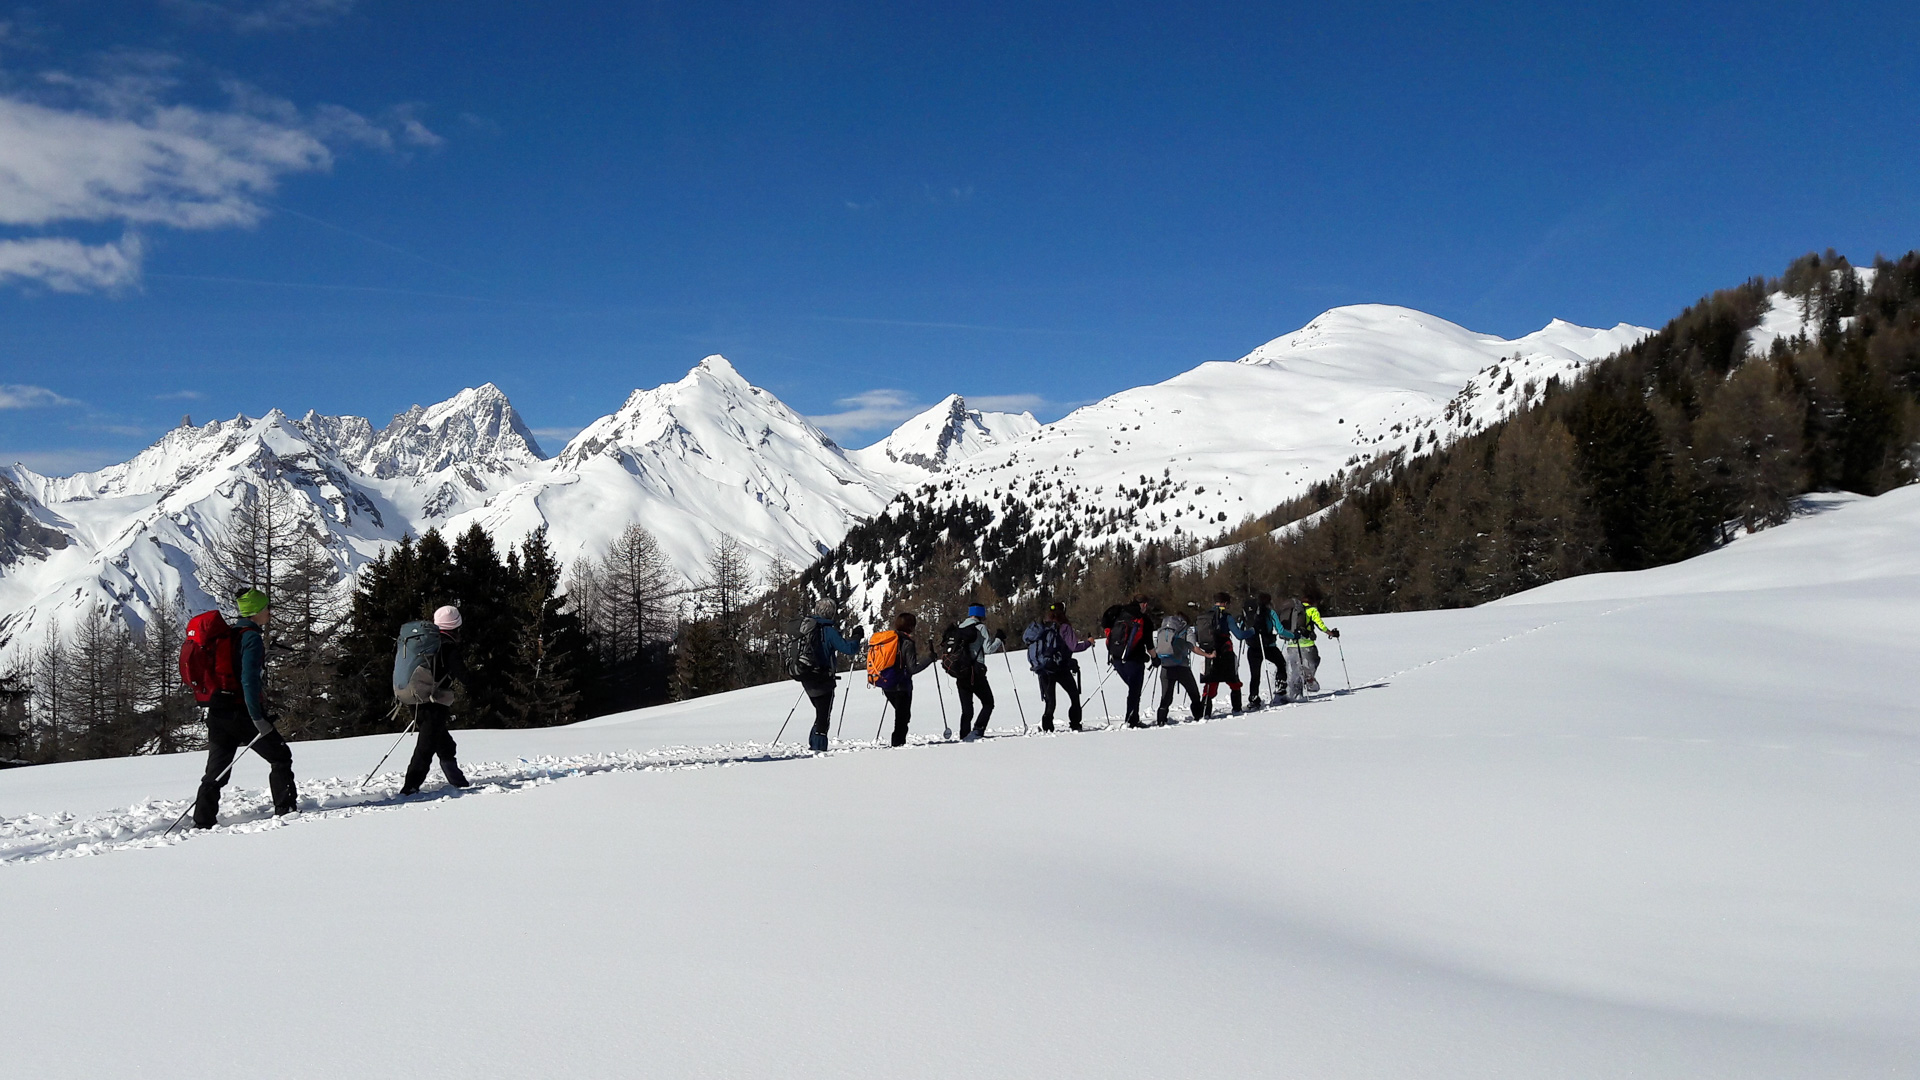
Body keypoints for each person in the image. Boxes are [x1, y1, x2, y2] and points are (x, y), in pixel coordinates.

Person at [192, 588, 297, 827]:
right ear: (256, 611)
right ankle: (286, 810)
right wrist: (257, 717)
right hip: (241, 712)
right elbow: (249, 680)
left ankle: (202, 820)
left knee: (216, 771)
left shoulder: (229, 635)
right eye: (267, 608)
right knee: (280, 756)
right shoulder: (251, 638)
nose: (270, 612)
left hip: (218, 710)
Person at [401, 605, 472, 795]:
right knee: (425, 748)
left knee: (444, 743)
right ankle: (410, 788)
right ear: (457, 627)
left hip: (413, 697)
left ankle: (457, 780)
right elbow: (465, 677)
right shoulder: (447, 648)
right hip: (433, 702)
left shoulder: (424, 643)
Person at [801, 599, 861, 751]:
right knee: (823, 717)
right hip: (823, 679)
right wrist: (856, 637)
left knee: (820, 712)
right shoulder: (828, 631)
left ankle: (814, 744)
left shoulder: (806, 628)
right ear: (831, 613)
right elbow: (848, 649)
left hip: (806, 676)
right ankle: (818, 749)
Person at [1023, 602, 1094, 732]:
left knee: (1050, 701)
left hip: (1044, 667)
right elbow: (1074, 647)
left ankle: (1047, 728)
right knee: (1074, 696)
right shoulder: (1064, 627)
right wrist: (1088, 643)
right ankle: (1075, 723)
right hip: (1060, 667)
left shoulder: (1043, 627)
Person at [870, 611, 936, 746]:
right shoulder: (907, 643)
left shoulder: (887, 640)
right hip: (901, 685)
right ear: (910, 627)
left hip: (886, 683)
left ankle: (897, 744)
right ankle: (897, 746)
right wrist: (929, 659)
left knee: (902, 716)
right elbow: (912, 668)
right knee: (902, 718)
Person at [946, 603, 1004, 740]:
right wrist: (999, 639)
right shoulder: (981, 628)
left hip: (960, 672)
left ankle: (964, 736)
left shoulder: (959, 627)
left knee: (966, 710)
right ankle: (978, 730)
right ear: (981, 615)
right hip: (976, 672)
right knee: (988, 702)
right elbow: (989, 649)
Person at [1197, 592, 1254, 717]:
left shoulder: (1205, 616)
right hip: (1225, 653)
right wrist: (1251, 631)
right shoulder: (1226, 616)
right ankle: (1237, 709)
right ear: (1226, 603)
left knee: (1210, 683)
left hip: (1210, 653)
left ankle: (1205, 712)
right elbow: (1239, 635)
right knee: (1234, 682)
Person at [1277, 593, 1340, 700]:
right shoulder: (1312, 610)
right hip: (1307, 644)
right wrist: (1331, 633)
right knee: (1315, 660)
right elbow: (1321, 625)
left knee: (1295, 670)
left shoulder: (1293, 611)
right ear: (1312, 602)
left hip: (1292, 644)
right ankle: (1308, 677)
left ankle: (1296, 694)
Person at [1105, 597, 1152, 728]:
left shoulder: (1119, 613)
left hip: (1116, 658)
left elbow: (1107, 628)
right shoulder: (1143, 619)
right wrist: (1154, 658)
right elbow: (1150, 645)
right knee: (1135, 690)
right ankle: (1132, 719)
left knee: (1132, 689)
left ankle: (1131, 718)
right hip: (1134, 659)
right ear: (1143, 604)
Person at [1153, 611, 1203, 725]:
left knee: (1166, 697)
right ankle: (1199, 717)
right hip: (1182, 667)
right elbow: (1192, 646)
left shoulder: (1164, 628)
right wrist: (1208, 655)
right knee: (1193, 693)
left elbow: (1157, 647)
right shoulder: (1186, 629)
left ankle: (1161, 720)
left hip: (1165, 667)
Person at [1242, 592, 1283, 708]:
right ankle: (1281, 689)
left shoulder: (1249, 613)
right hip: (1268, 646)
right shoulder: (1270, 613)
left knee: (1255, 675)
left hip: (1253, 647)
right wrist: (1293, 635)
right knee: (1281, 664)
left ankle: (1253, 698)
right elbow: (1280, 630)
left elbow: (1242, 626)